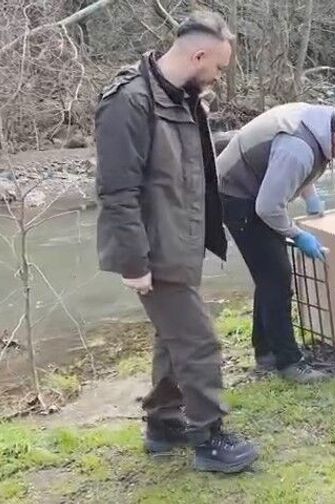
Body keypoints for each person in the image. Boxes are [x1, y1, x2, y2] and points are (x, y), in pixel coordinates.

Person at [94, 11, 257, 473]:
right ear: (199, 54)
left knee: (174, 340)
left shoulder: (184, 99)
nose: (219, 77)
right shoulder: (129, 101)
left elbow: (191, 176)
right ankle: (210, 439)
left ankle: (164, 423)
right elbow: (116, 190)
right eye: (219, 68)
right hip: (154, 249)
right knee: (200, 342)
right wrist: (133, 262)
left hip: (182, 242)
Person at [217, 103, 335, 381]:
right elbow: (267, 207)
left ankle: (266, 351)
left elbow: (300, 167)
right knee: (277, 279)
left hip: (257, 190)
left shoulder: (323, 124)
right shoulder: (298, 149)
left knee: (269, 276)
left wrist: (310, 196)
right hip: (236, 194)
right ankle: (289, 363)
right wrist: (297, 234)